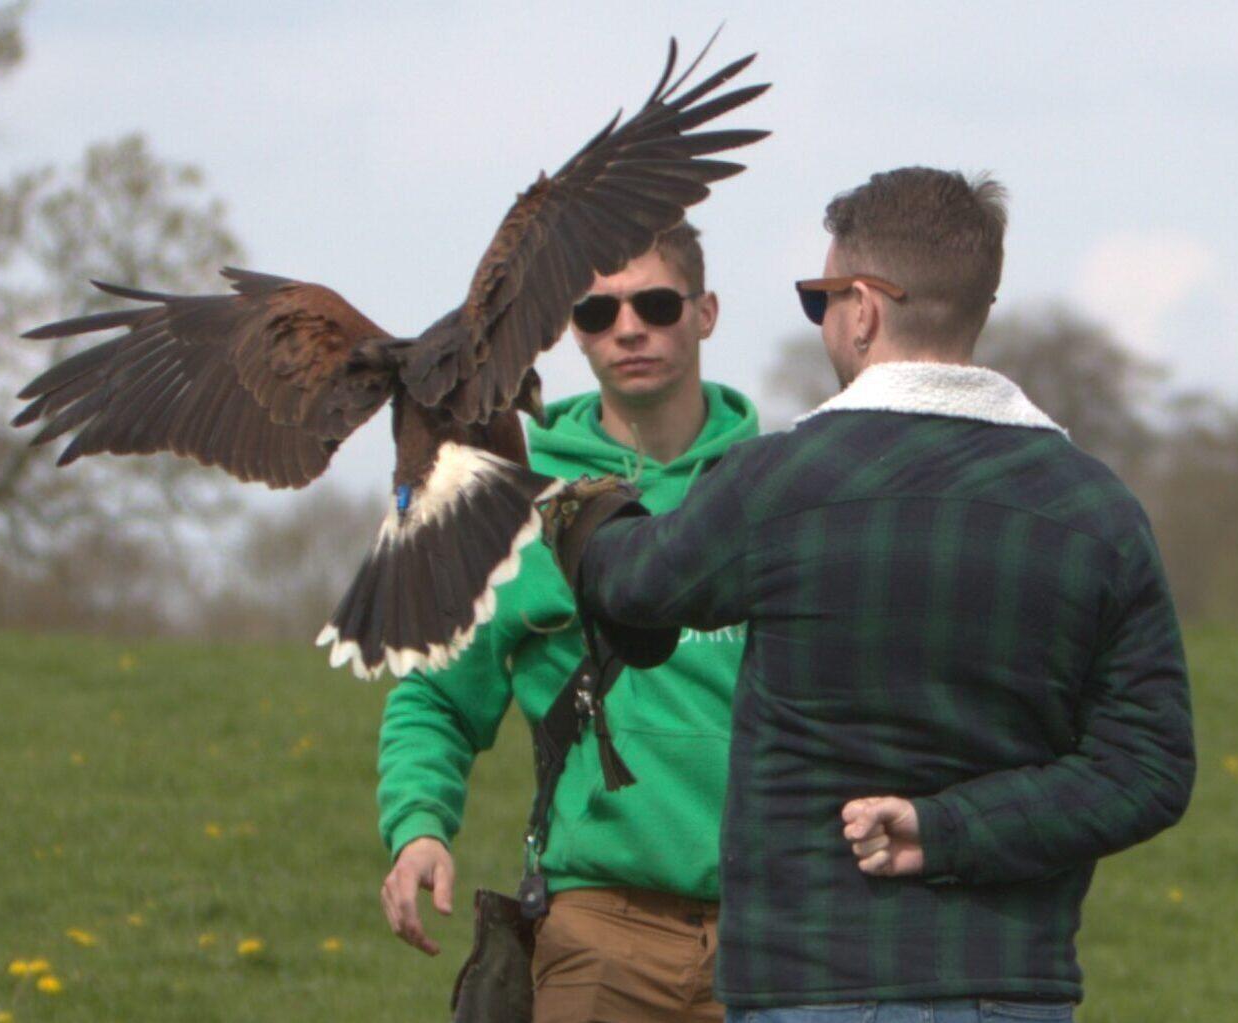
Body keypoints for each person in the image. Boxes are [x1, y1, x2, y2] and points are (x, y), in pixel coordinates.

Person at [549, 168, 1196, 1022]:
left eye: (822, 300)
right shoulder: (1097, 511)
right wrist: (950, 827)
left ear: (863, 307)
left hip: (808, 982)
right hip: (1013, 987)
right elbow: (1149, 768)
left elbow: (635, 585)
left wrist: (582, 505)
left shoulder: (782, 482)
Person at [377, 221, 758, 1023]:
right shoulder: (513, 497)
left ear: (707, 312)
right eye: (596, 311)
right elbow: (436, 696)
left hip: (771, 933)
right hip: (597, 930)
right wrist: (419, 825)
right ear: (569, 330)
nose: (629, 327)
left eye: (656, 303)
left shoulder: (773, 490)